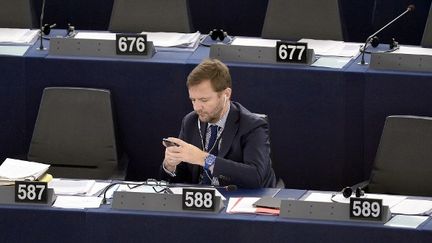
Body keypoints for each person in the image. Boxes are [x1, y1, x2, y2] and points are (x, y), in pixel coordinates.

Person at [161, 59, 276, 188]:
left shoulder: (252, 126)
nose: (197, 107)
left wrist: (204, 159)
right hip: (201, 202)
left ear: (226, 94)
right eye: (193, 100)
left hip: (237, 200)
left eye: (204, 100)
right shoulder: (190, 121)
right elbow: (180, 178)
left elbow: (256, 176)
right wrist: (170, 165)